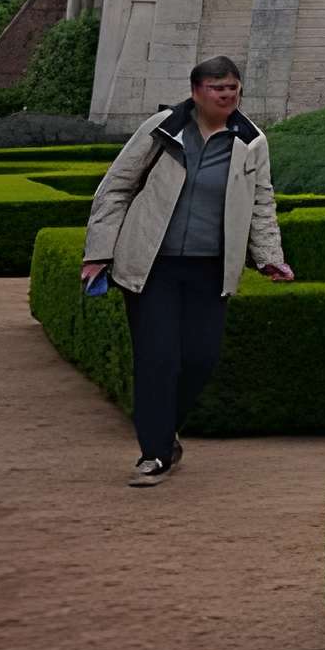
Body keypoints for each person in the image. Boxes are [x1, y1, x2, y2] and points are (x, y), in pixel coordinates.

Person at [79, 54, 293, 486]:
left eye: (233, 88)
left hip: (210, 269)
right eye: (219, 88)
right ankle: (154, 453)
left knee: (200, 359)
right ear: (197, 91)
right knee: (158, 358)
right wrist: (98, 252)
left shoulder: (251, 142)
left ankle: (162, 429)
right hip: (152, 265)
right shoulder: (161, 130)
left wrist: (269, 256)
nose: (228, 95)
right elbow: (116, 187)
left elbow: (260, 204)